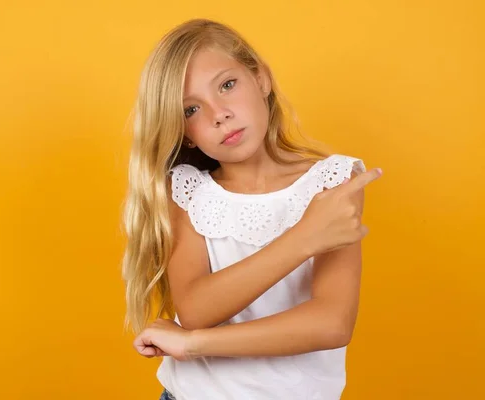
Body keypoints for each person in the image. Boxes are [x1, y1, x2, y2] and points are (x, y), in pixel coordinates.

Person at [121, 18, 383, 400]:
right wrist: (304, 238)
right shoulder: (188, 190)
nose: (218, 114)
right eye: (191, 110)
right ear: (181, 130)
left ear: (260, 78)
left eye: (227, 86)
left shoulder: (332, 182)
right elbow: (196, 308)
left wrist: (193, 344)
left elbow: (331, 323)